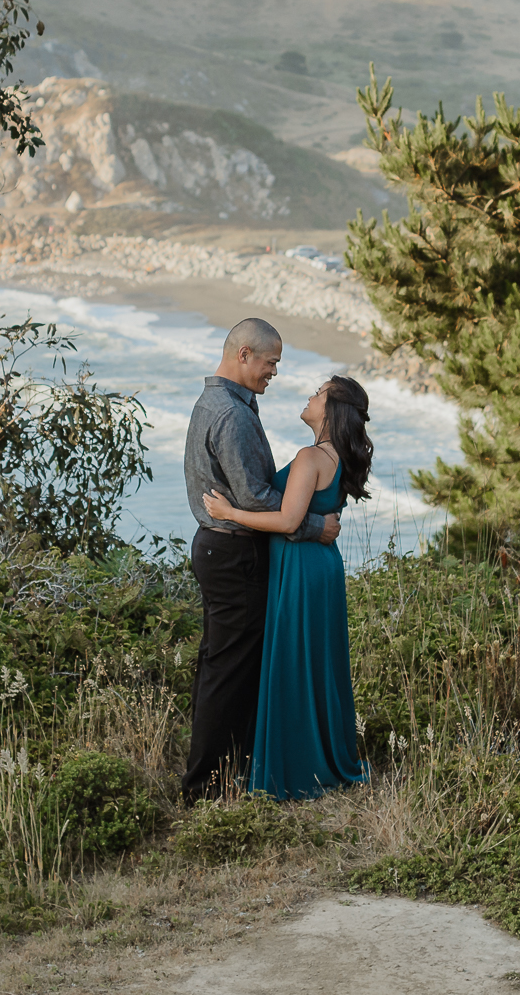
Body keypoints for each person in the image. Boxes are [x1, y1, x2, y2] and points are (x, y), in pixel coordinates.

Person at [180, 318, 340, 801]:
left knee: (223, 666)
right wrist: (315, 525)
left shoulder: (220, 403)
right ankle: (205, 787)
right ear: (244, 354)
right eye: (270, 363)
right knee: (229, 672)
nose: (274, 372)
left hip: (218, 547)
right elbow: (253, 497)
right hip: (234, 553)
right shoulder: (230, 414)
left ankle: (227, 772)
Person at [202, 374, 372, 800]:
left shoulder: (311, 456)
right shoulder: (335, 455)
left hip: (300, 567)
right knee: (317, 664)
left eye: (318, 393)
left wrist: (230, 513)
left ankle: (297, 767)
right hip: (322, 568)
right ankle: (324, 755)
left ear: (331, 409)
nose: (310, 397)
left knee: (295, 662)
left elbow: (287, 521)